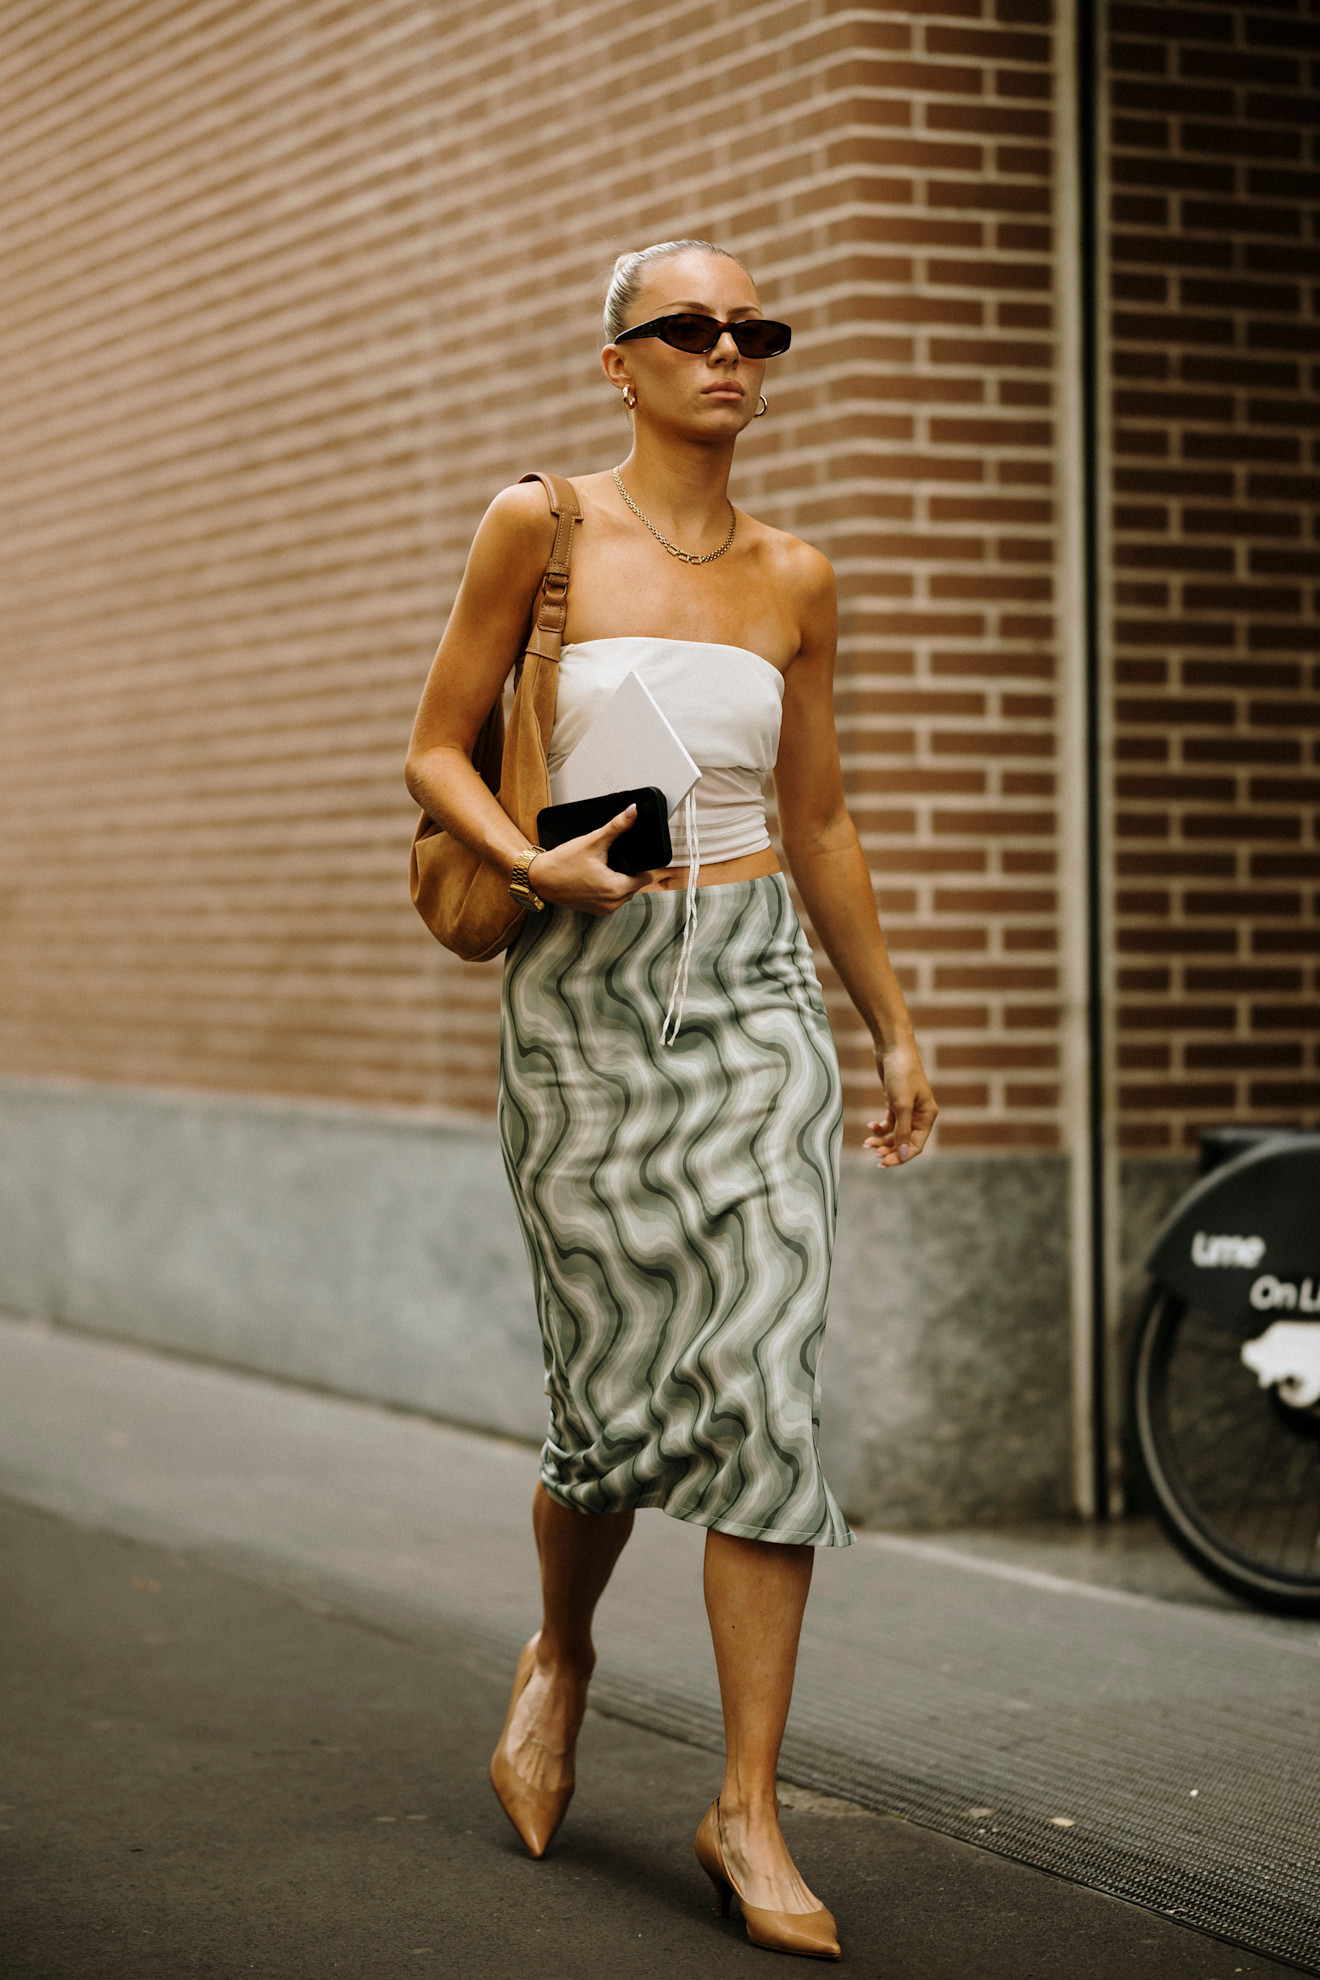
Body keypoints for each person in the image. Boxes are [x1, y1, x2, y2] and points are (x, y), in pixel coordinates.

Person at [405, 239, 937, 1960]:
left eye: (753, 330)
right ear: (617, 362)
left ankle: (746, 1807)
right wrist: (522, 857)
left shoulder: (797, 575)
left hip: (757, 990)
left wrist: (894, 1024)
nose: (729, 352)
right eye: (690, 329)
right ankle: (561, 1651)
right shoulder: (541, 527)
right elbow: (433, 743)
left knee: (761, 1385)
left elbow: (829, 819)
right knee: (611, 1401)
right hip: (584, 1000)